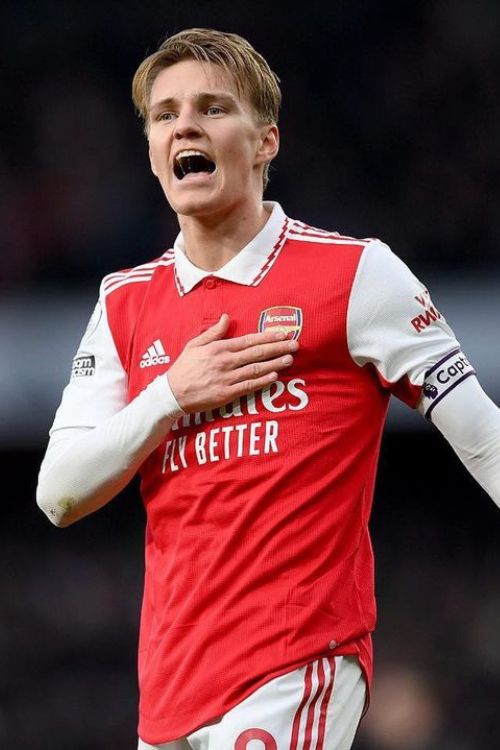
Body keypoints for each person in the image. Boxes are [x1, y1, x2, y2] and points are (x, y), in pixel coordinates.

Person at [36, 28, 500, 750]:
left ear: (265, 143)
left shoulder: (356, 276)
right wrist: (168, 397)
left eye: (213, 108)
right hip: (170, 688)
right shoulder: (124, 302)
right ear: (155, 152)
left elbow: (484, 437)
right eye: (165, 115)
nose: (184, 124)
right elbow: (59, 493)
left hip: (297, 664)